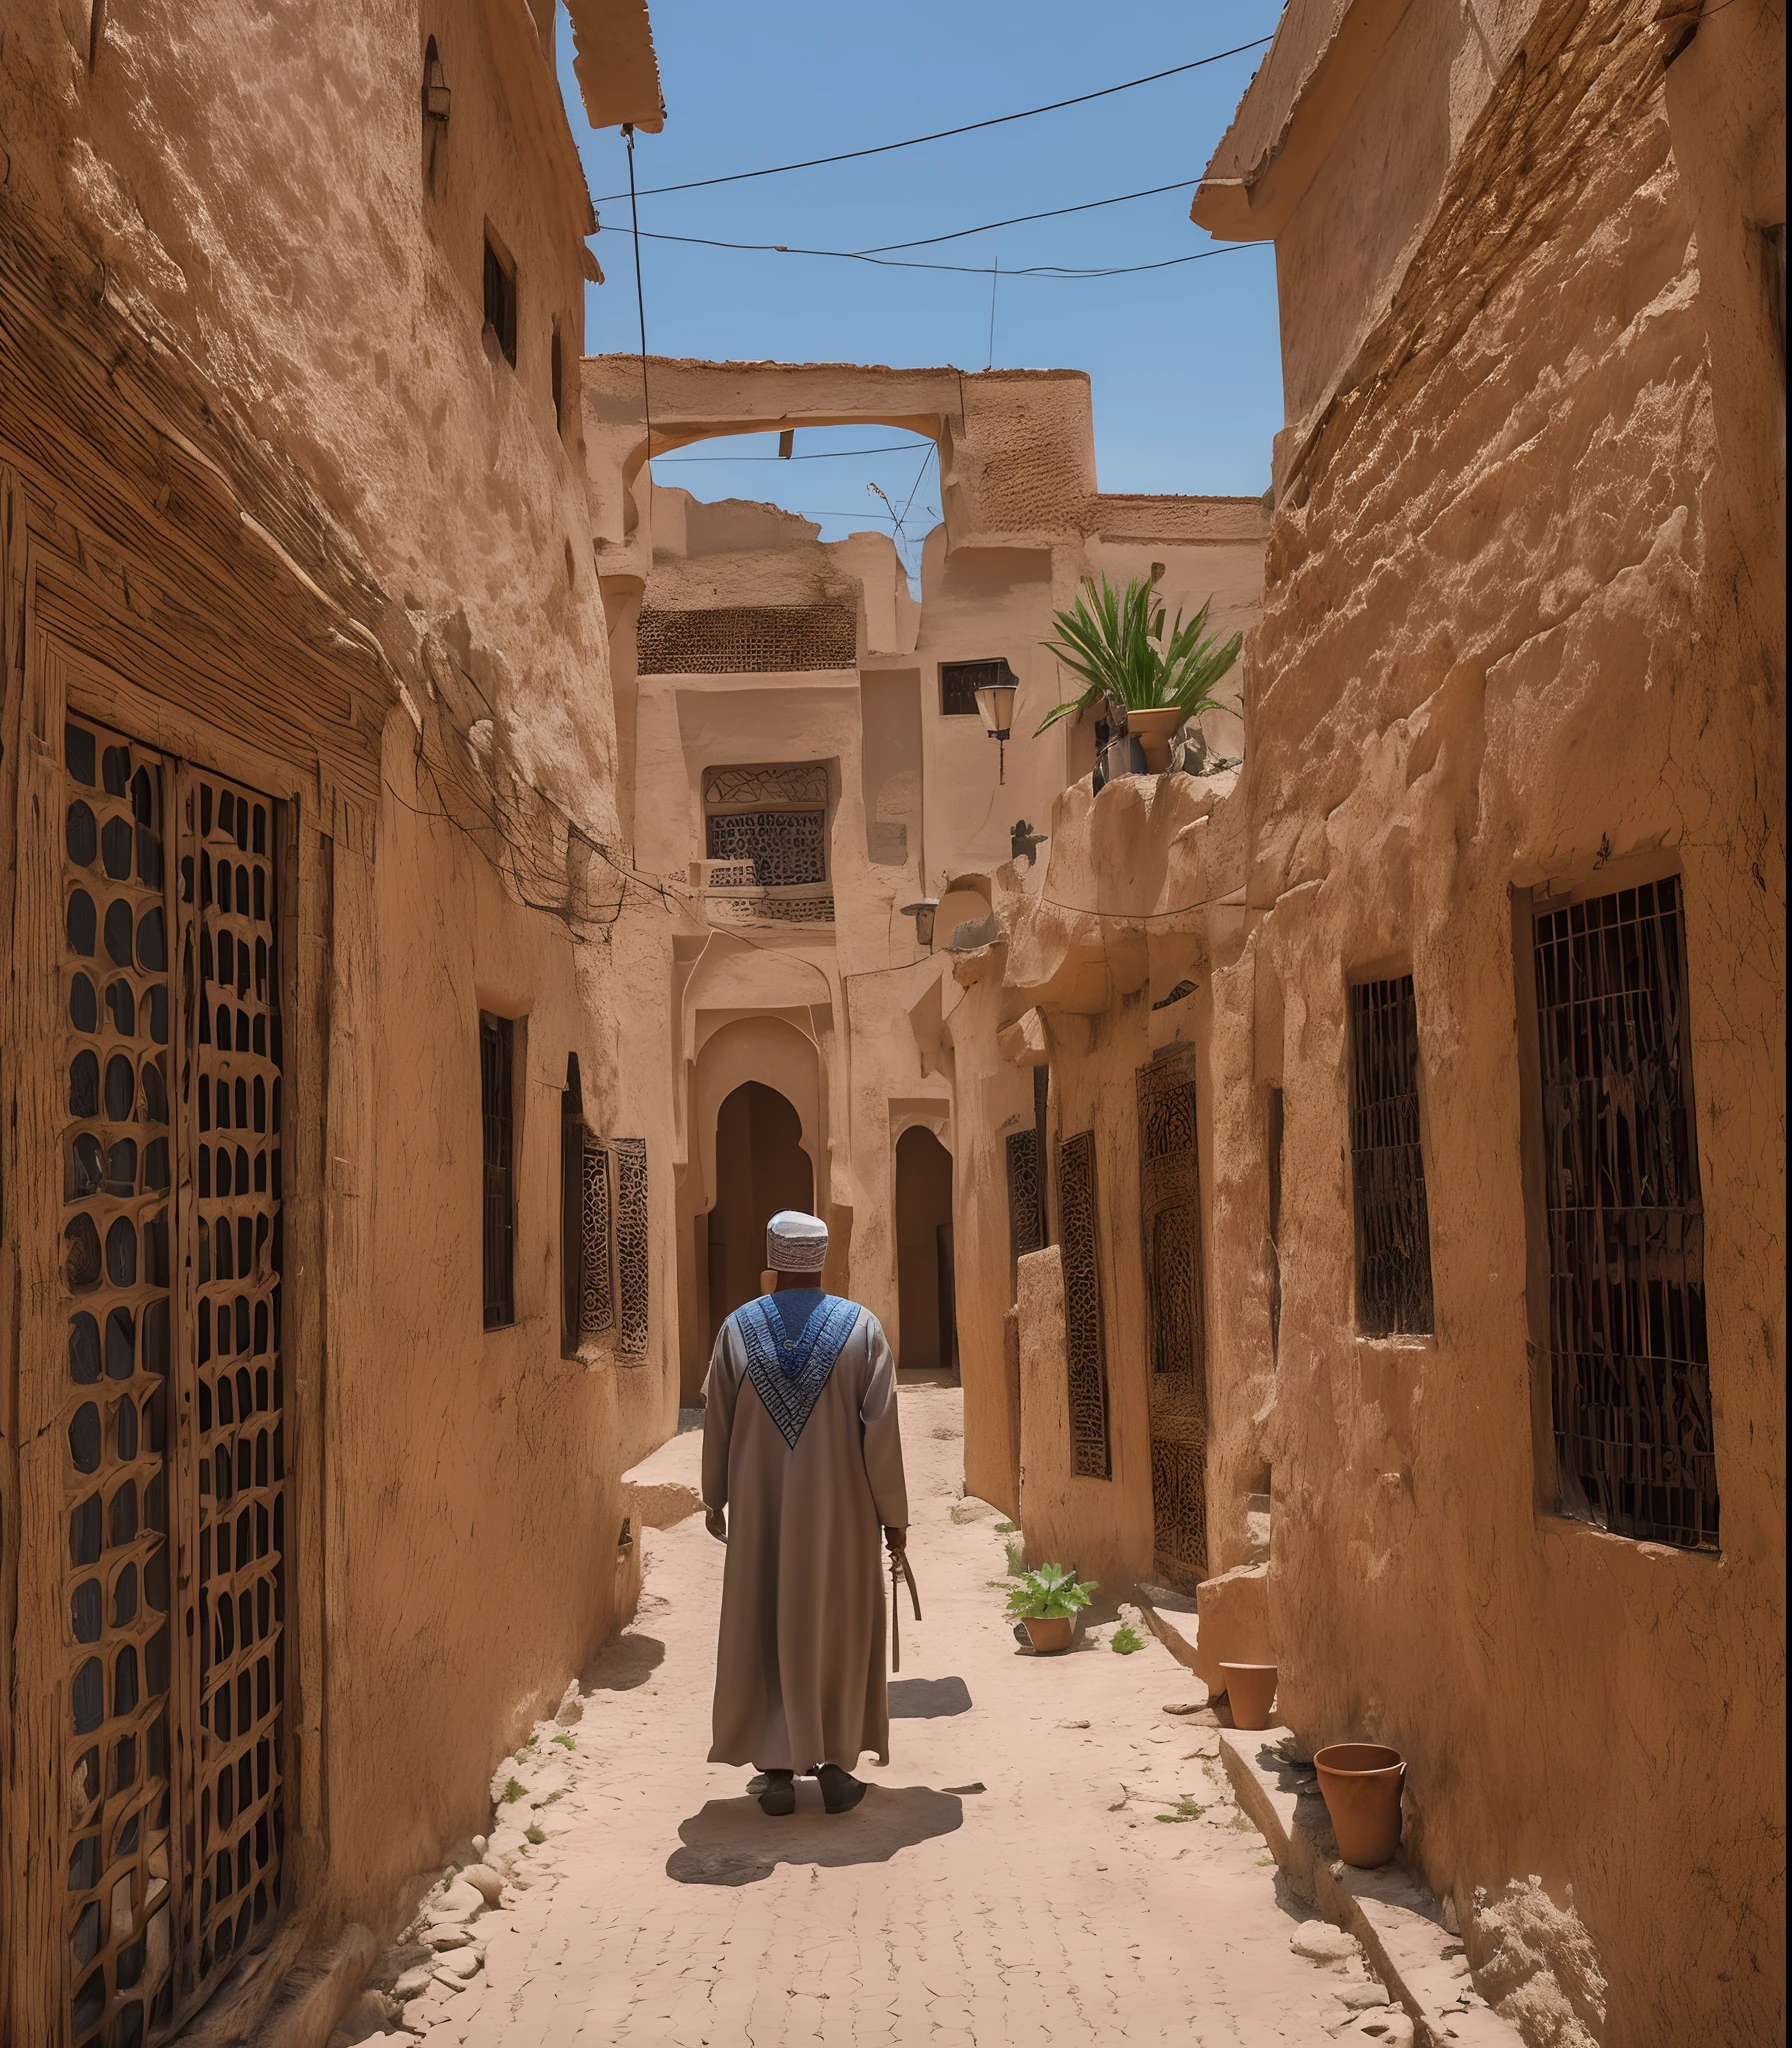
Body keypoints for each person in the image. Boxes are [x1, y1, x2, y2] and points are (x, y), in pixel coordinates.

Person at [701, 1209, 909, 1816]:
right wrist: (893, 1516)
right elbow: (883, 1434)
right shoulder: (862, 1328)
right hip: (842, 1520)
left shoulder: (737, 1329)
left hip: (763, 1517)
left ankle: (777, 1774)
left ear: (772, 1257)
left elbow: (717, 1421)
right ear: (822, 1257)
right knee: (837, 1624)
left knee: (766, 1622)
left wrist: (715, 1496)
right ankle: (837, 1767)